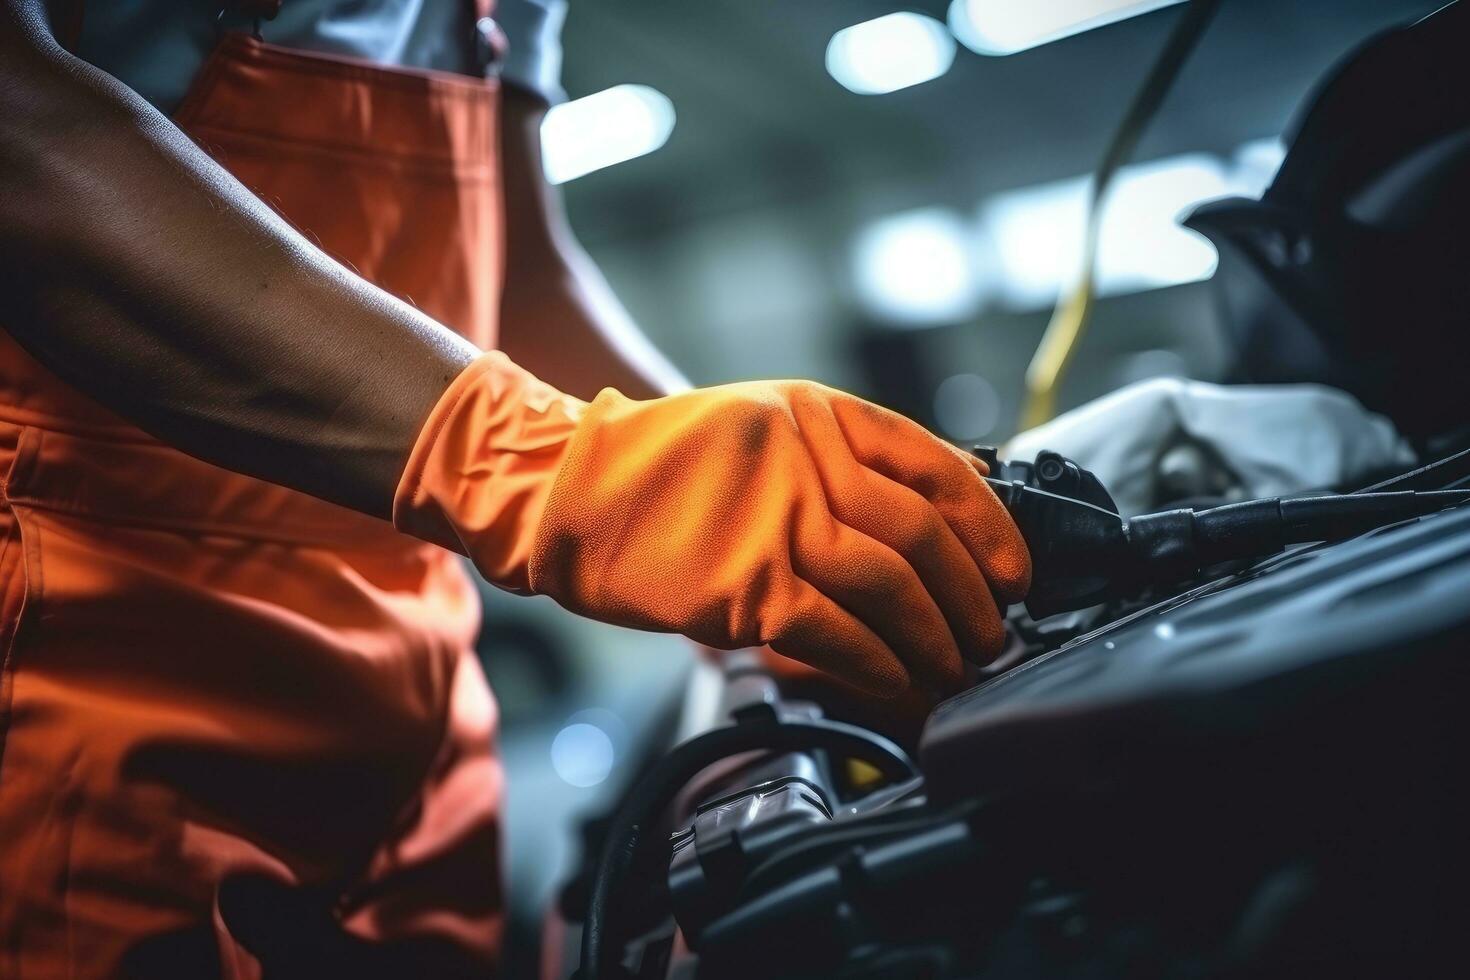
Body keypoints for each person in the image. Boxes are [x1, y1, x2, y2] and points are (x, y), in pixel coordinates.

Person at [0, 1, 1030, 975]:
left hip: (418, 711)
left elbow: (516, 273)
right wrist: (547, 463)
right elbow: (24, 146)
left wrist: (770, 504)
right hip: (96, 688)